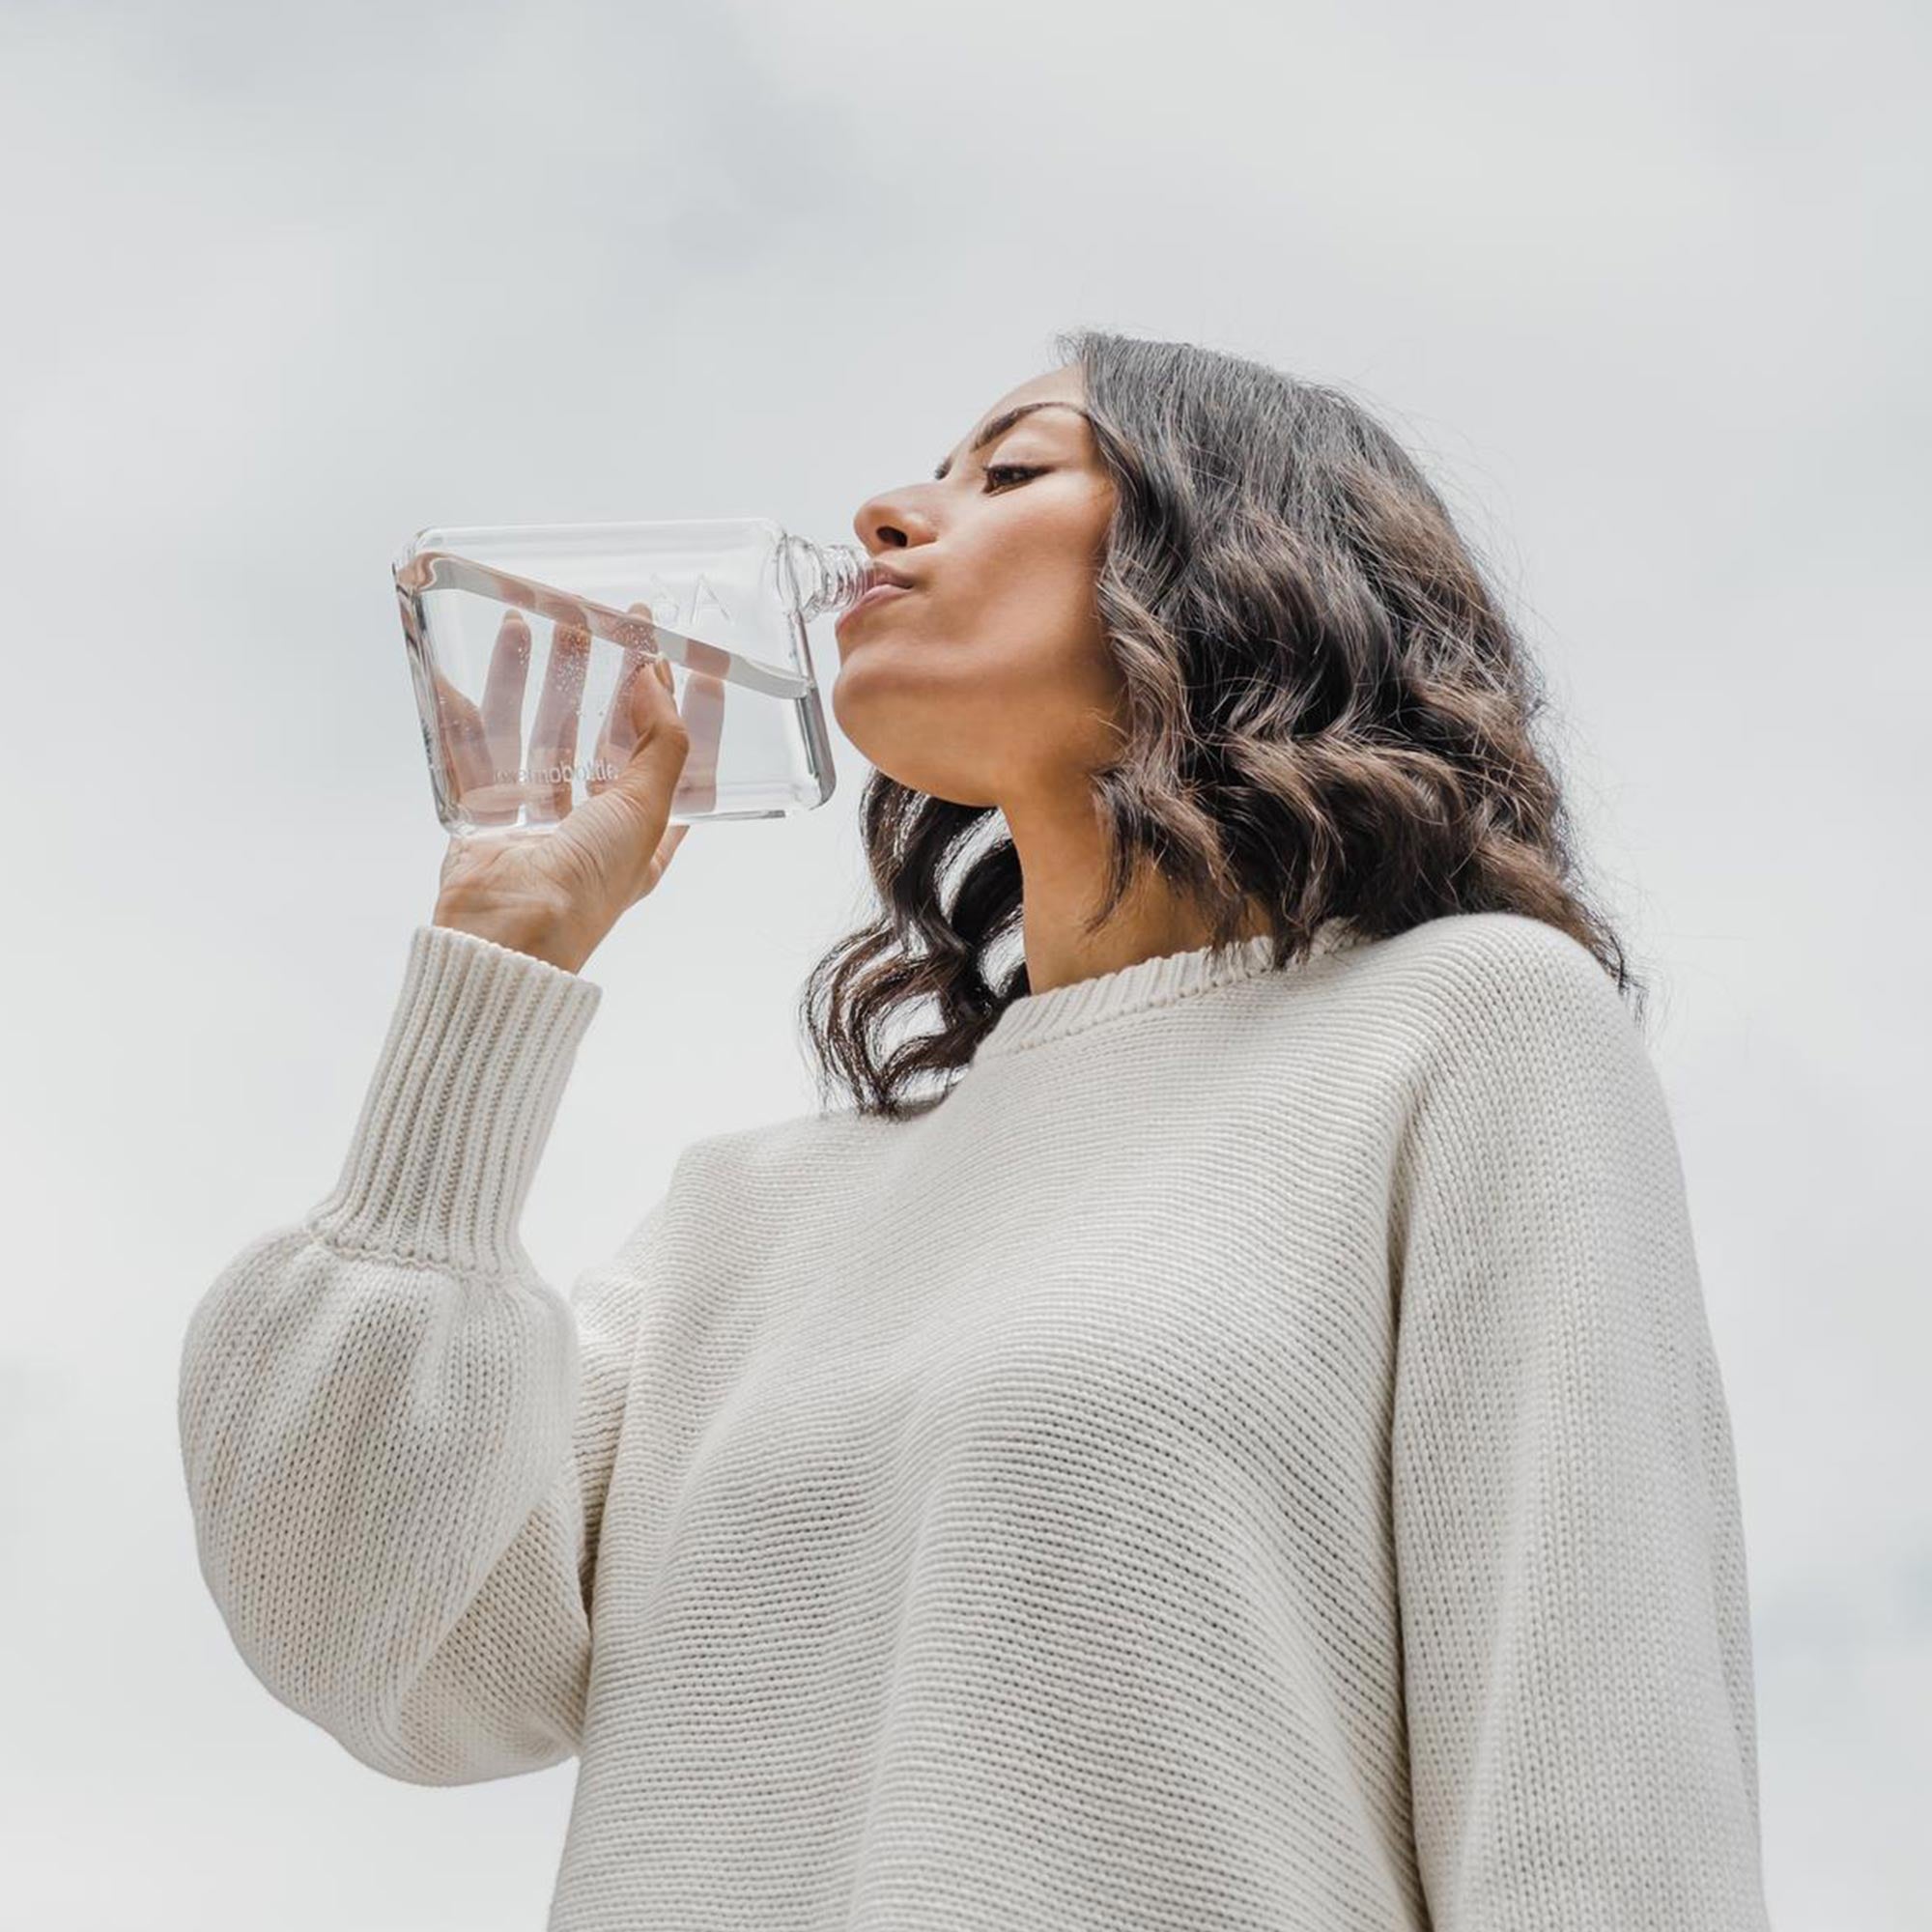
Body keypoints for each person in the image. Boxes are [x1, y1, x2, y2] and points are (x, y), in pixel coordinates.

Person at [178, 329, 1771, 1930]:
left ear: (1239, 555)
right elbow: (384, 1644)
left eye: (1010, 469)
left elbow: (1599, 1790)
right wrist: (494, 965)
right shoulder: (751, 1220)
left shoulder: (1460, 1032)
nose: (884, 514)